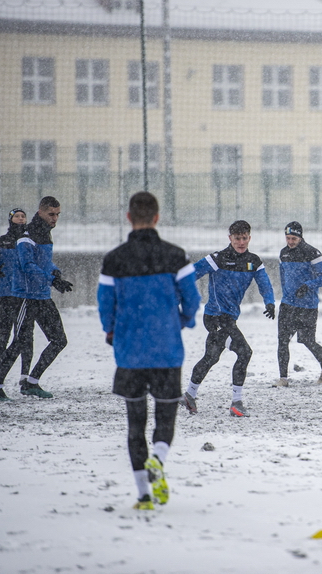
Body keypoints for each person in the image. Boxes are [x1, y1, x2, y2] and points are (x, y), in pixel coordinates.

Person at [98, 191, 201, 511]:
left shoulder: (114, 259)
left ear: (129, 217)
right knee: (165, 418)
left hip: (130, 353)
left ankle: (143, 495)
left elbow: (105, 305)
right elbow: (193, 300)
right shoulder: (175, 256)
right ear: (157, 218)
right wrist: (181, 321)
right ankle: (158, 457)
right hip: (167, 350)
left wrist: (113, 331)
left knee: (135, 423)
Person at [180, 220, 275, 417]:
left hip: (229, 318)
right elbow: (191, 274)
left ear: (249, 237)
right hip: (215, 317)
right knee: (245, 352)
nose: (241, 242)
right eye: (237, 238)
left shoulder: (253, 262)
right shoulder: (218, 258)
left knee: (211, 357)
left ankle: (189, 394)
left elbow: (264, 283)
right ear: (230, 238)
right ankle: (236, 403)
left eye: (244, 238)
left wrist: (270, 302)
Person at [0, 196, 73, 398]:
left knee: (59, 340)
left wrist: (56, 273)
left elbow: (44, 262)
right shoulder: (26, 235)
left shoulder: (45, 234)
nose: (55, 218)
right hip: (26, 298)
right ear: (40, 213)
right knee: (20, 342)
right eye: (51, 214)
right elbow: (27, 265)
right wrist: (51, 280)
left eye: (57, 215)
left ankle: (32, 382)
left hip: (42, 296)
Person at [273, 221, 322, 387]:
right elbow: (283, 276)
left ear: (300, 237)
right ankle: (283, 378)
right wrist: (286, 294)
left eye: (293, 238)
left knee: (307, 340)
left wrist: (308, 285)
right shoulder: (283, 254)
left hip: (307, 306)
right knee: (282, 341)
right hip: (287, 305)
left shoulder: (311, 253)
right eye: (288, 238)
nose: (290, 241)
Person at [0, 208, 32, 401]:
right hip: (4, 296)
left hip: (23, 296)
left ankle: (25, 377)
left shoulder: (29, 241)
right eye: (17, 216)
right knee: (2, 337)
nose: (20, 219)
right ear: (11, 220)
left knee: (25, 336)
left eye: (23, 216)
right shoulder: (0, 241)